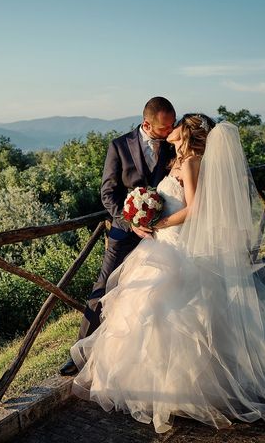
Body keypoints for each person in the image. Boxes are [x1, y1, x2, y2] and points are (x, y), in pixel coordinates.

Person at [70, 114, 265, 433]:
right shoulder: (178, 159)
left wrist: (161, 223)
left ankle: (193, 388)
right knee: (149, 313)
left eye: (178, 125)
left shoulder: (192, 162)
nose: (172, 130)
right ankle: (157, 384)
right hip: (161, 247)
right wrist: (146, 213)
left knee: (179, 317)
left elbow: (194, 208)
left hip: (177, 248)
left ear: (187, 132)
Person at [60, 96, 176, 376]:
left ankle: (147, 355)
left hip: (162, 235)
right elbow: (108, 193)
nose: (170, 131)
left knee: (158, 293)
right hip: (124, 234)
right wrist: (130, 221)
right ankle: (80, 354)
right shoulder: (119, 146)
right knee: (103, 289)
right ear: (147, 124)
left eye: (173, 124)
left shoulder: (173, 145)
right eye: (165, 127)